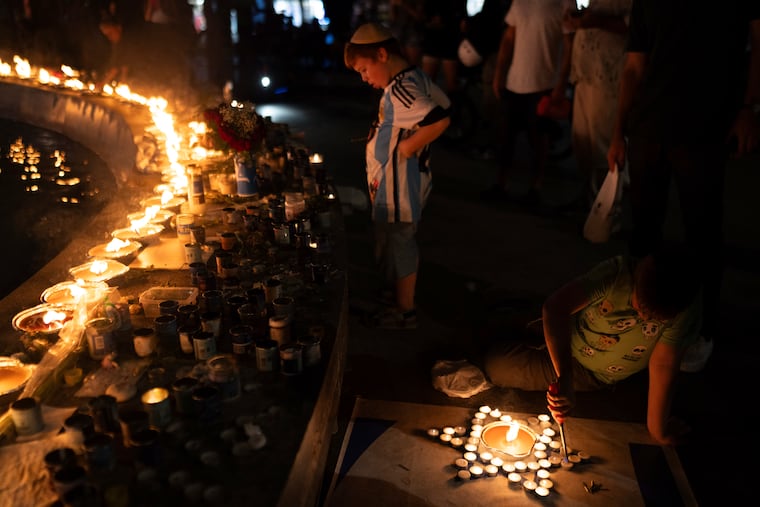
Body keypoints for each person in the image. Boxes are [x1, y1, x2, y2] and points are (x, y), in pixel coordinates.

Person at [607, 1, 760, 372]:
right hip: (648, 127)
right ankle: (641, 317)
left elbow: (758, 45)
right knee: (644, 230)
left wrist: (748, 108)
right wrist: (618, 131)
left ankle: (701, 328)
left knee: (703, 232)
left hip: (706, 128)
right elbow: (634, 66)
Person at [484, 244, 702, 445]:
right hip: (569, 334)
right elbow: (555, 308)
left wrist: (658, 430)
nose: (643, 318)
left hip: (586, 370)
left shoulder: (684, 310)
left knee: (497, 365)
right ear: (639, 273)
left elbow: (663, 364)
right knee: (496, 322)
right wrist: (564, 378)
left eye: (655, 320)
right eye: (640, 307)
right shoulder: (616, 275)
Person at [344, 22, 451, 329]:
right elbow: (444, 102)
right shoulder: (413, 77)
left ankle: (405, 311)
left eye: (365, 70)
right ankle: (395, 294)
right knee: (391, 239)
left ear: (381, 54)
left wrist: (409, 146)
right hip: (395, 182)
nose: (365, 79)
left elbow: (439, 118)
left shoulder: (402, 89)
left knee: (401, 240)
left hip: (401, 184)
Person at [483, 0, 573, 206]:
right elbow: (509, 37)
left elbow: (570, 47)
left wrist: (561, 83)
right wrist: (500, 72)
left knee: (539, 141)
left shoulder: (564, 3)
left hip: (544, 84)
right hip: (515, 81)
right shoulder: (520, 1)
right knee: (505, 138)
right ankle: (501, 184)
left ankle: (535, 189)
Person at [562, 0, 631, 213]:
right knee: (583, 144)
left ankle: (606, 210)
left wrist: (597, 21)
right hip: (585, 73)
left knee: (603, 146)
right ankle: (588, 199)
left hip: (608, 77)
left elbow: (635, 28)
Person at [420, 0, 468, 95]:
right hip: (433, 39)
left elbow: (462, 16)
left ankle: (453, 106)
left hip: (450, 40)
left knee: (451, 86)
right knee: (428, 85)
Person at [389, 0, 425, 66]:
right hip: (398, 32)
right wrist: (392, 5)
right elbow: (392, 18)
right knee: (398, 64)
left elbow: (420, 17)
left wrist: (403, 4)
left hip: (413, 32)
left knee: (413, 66)